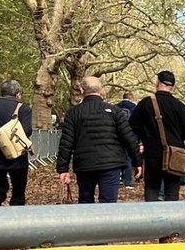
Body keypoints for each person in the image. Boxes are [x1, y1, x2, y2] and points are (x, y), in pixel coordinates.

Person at [55, 76, 142, 204]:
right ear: (101, 90)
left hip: (85, 164)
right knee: (108, 204)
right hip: (111, 164)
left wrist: (63, 169)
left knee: (86, 201)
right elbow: (129, 139)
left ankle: (88, 223)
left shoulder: (73, 113)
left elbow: (66, 143)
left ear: (81, 90)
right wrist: (137, 162)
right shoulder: (115, 112)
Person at [128, 70, 185, 202]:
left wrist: (145, 138)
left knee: (152, 188)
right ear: (172, 87)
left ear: (157, 84)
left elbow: (132, 124)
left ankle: (152, 219)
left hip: (152, 153)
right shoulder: (179, 106)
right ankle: (170, 219)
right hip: (175, 154)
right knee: (172, 189)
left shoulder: (146, 103)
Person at [118, 92, 138, 187]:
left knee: (117, 157)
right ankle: (127, 181)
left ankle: (119, 178)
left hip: (117, 136)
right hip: (130, 135)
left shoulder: (115, 107)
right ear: (131, 98)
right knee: (128, 157)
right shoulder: (135, 107)